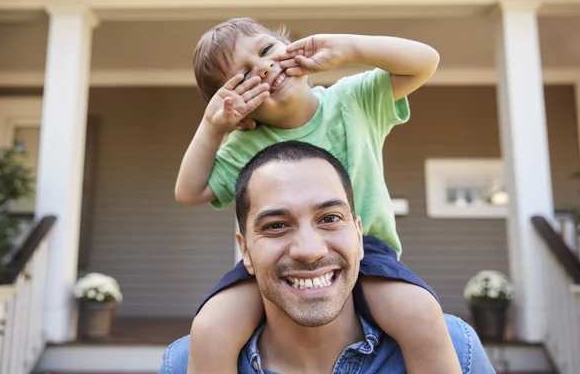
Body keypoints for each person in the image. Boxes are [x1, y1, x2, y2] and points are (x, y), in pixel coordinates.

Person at [175, 18, 459, 374]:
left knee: (419, 311)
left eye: (266, 50)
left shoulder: (352, 100)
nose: (263, 68)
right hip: (276, 264)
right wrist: (213, 125)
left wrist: (349, 48)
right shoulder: (244, 144)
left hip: (365, 251)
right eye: (244, 76)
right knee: (211, 327)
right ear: (241, 110)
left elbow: (424, 61)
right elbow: (189, 191)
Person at [163, 141, 495, 374]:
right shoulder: (186, 364)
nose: (310, 250)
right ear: (245, 250)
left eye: (330, 218)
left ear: (360, 236)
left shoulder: (454, 346)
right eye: (276, 225)